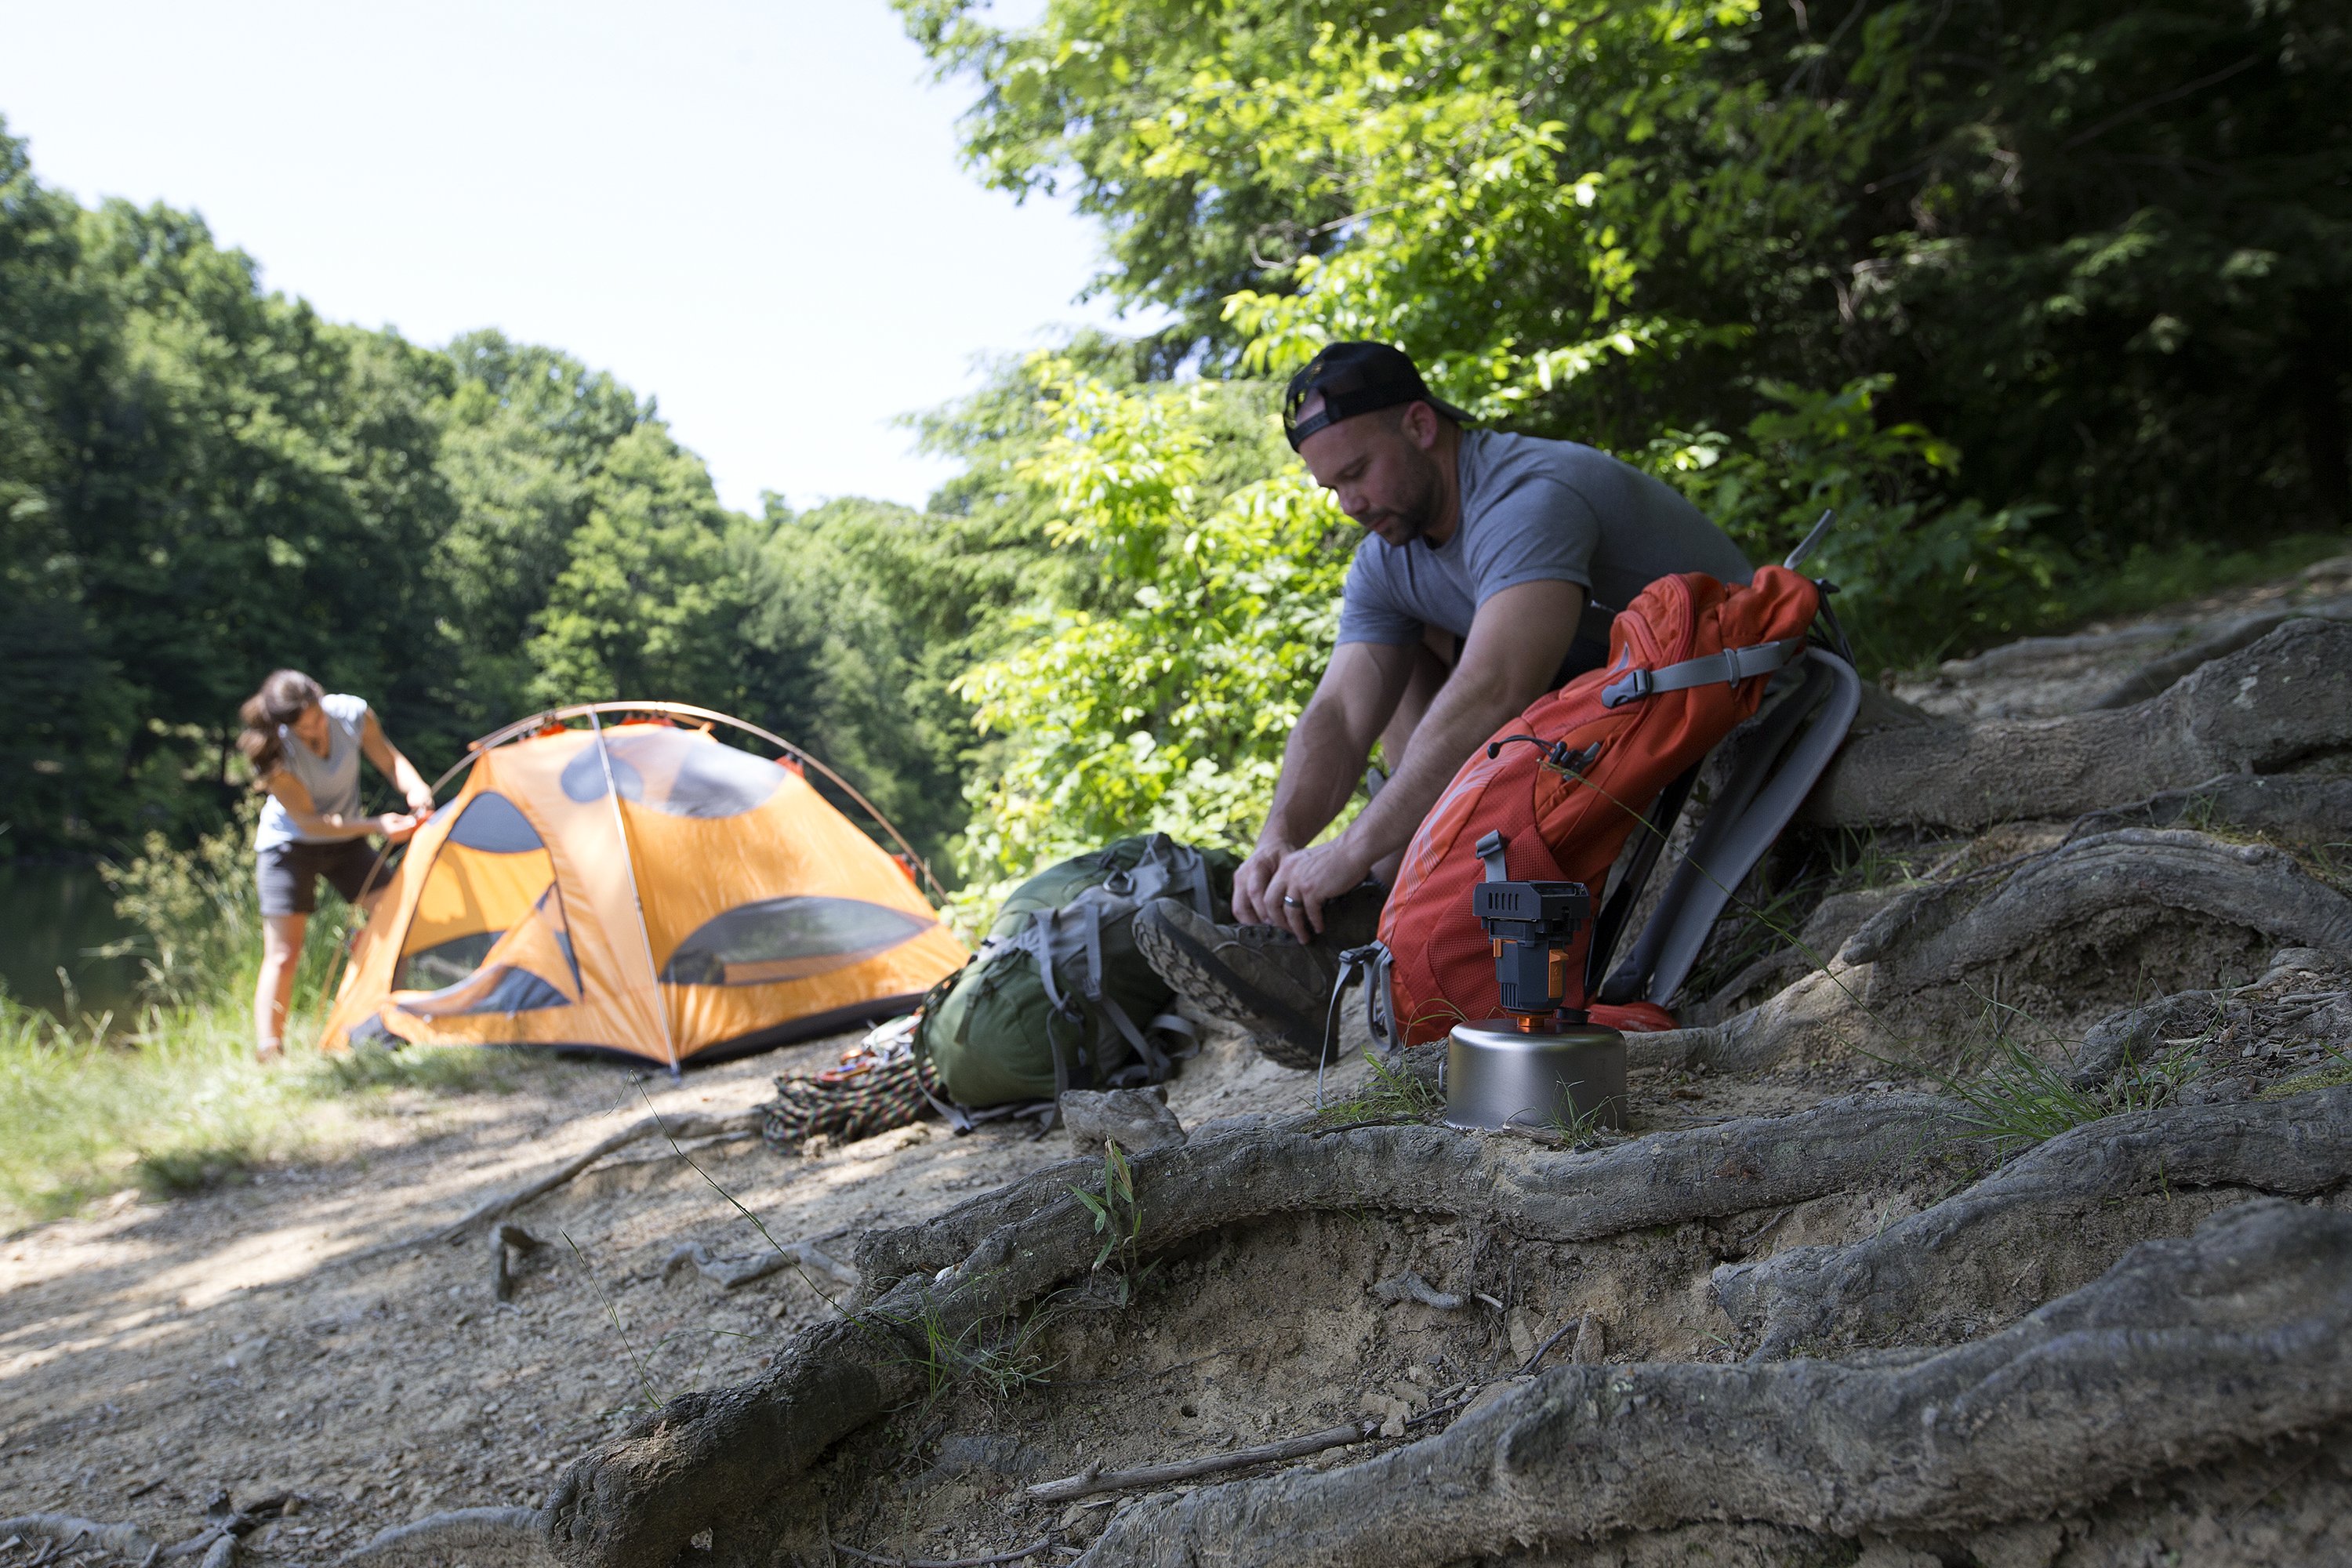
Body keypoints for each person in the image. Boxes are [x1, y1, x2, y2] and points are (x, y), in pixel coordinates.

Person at [1134, 341, 1752, 1063]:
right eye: (1333, 488)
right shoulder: (1387, 555)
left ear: (1421, 425)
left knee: (1462, 687)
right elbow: (1338, 710)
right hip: (1595, 713)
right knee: (1398, 652)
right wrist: (1282, 837)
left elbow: (1497, 687)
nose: (1350, 504)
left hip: (1723, 691)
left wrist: (1351, 847)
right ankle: (1327, 951)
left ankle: (1361, 925)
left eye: (1357, 473)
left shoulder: (1528, 498)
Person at [237, 670, 435, 1060]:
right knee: (284, 952)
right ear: (284, 725)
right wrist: (378, 826)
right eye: (305, 726)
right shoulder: (271, 752)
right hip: (289, 846)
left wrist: (417, 790)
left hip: (347, 842)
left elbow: (390, 759)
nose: (317, 727)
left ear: (320, 697)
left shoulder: (352, 714)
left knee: (395, 919)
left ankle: (380, 1022)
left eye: (317, 716)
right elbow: (310, 822)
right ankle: (270, 1051)